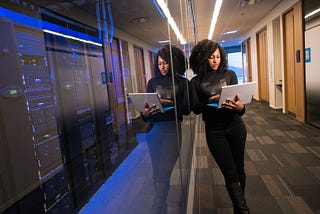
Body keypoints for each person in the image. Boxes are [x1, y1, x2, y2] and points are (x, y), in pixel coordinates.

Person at [189, 39, 250, 214]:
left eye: (217, 56)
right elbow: (195, 108)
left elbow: (240, 107)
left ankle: (239, 208)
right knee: (230, 173)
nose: (215, 60)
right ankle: (243, 209)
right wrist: (212, 101)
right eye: (211, 57)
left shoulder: (230, 74)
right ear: (202, 58)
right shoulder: (196, 81)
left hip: (235, 126)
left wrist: (241, 107)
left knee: (239, 170)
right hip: (215, 131)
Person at [141, 44, 190, 214]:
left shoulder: (182, 82)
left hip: (172, 130)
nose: (162, 67)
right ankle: (162, 207)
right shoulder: (152, 82)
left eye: (166, 63)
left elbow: (187, 109)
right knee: (157, 172)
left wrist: (171, 104)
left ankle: (157, 206)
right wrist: (146, 113)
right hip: (154, 130)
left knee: (164, 169)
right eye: (159, 63)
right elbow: (145, 113)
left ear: (173, 62)